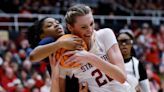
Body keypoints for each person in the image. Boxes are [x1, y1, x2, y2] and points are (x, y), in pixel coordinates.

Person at [63, 4, 129, 92]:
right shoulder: (67, 55)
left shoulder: (105, 35)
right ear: (70, 27)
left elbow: (121, 77)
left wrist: (89, 57)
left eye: (91, 24)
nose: (90, 30)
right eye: (84, 27)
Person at [27, 17, 88, 92]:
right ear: (42, 35)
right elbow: (33, 56)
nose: (56, 25)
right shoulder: (50, 40)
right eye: (49, 25)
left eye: (57, 22)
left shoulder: (70, 37)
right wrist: (60, 44)